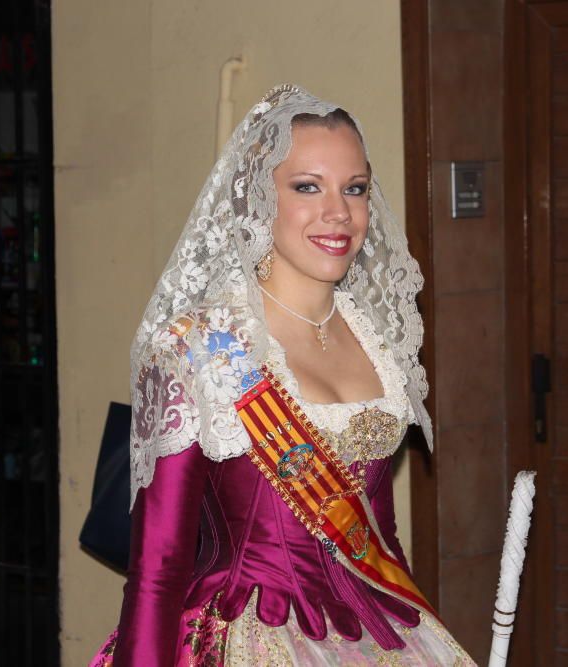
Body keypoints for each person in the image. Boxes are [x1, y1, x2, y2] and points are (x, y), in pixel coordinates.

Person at [90, 85, 474, 666]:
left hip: (375, 633)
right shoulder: (202, 347)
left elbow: (375, 539)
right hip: (246, 633)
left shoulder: (379, 339)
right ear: (255, 201)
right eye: (306, 187)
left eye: (355, 189)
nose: (338, 213)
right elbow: (158, 569)